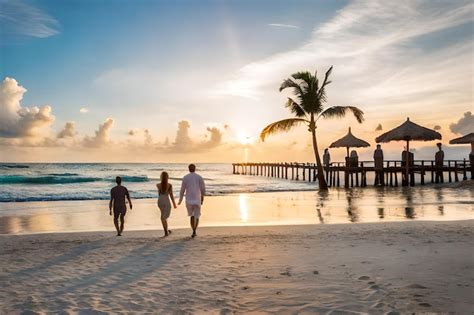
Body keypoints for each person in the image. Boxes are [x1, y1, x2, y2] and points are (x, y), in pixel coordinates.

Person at [178, 164, 205, 238]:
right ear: (195, 169)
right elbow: (203, 189)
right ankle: (194, 230)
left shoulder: (185, 177)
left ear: (189, 169)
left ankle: (193, 230)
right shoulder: (199, 177)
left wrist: (180, 200)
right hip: (197, 199)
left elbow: (182, 190)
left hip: (189, 199)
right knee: (197, 215)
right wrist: (202, 198)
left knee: (192, 216)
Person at [157, 171, 177, 237]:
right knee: (164, 217)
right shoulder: (170, 185)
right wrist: (174, 203)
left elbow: (159, 194)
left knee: (163, 216)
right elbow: (171, 195)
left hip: (160, 200)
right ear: (167, 177)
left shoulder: (158, 185)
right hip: (166, 200)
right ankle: (166, 232)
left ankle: (166, 230)